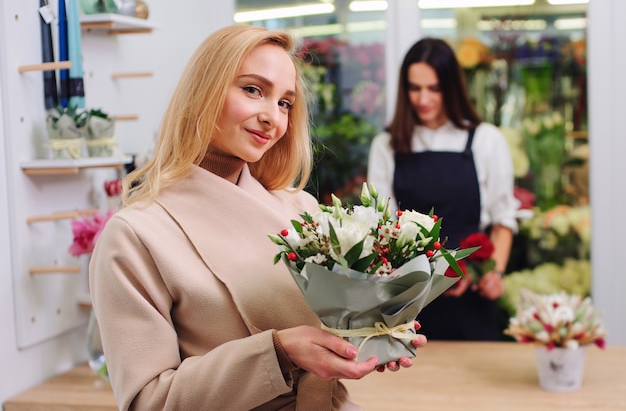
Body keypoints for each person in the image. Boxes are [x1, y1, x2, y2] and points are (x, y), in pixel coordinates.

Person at [89, 25, 426, 411]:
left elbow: (335, 331)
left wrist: (375, 334)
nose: (273, 118)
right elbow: (148, 402)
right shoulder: (137, 235)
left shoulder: (302, 210)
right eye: (253, 90)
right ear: (204, 90)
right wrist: (279, 354)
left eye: (285, 103)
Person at [367, 37, 518, 341]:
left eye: (434, 89)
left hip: (471, 299)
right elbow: (380, 224)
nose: (423, 99)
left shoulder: (485, 140)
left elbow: (503, 219)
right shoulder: (386, 145)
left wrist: (492, 274)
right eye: (414, 88)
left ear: (452, 87)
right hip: (408, 302)